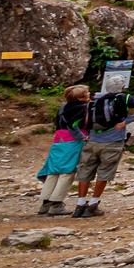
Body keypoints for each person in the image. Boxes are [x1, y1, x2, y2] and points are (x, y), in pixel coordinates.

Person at [73, 81, 134, 217]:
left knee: (85, 170)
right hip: (113, 141)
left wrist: (82, 135)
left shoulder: (93, 99)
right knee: (105, 172)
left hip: (92, 140)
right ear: (122, 87)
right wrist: (125, 122)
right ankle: (93, 204)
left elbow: (75, 121)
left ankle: (79, 204)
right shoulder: (124, 98)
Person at [36, 85, 88, 215]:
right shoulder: (82, 108)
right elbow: (73, 125)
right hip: (73, 141)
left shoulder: (63, 107)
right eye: (87, 93)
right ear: (81, 97)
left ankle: (45, 203)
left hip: (58, 139)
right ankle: (56, 204)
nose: (89, 94)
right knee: (67, 172)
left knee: (53, 171)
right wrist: (83, 137)